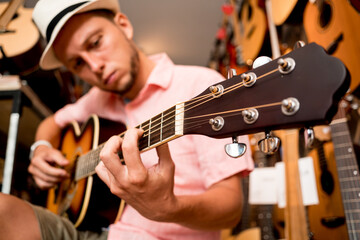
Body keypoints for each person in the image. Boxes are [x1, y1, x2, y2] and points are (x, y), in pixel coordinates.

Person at [0, 0, 254, 239]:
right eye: (78, 63)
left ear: (123, 25)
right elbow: (51, 123)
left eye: (95, 43)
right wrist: (40, 148)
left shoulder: (201, 86)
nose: (94, 66)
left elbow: (231, 208)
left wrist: (169, 208)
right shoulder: (97, 99)